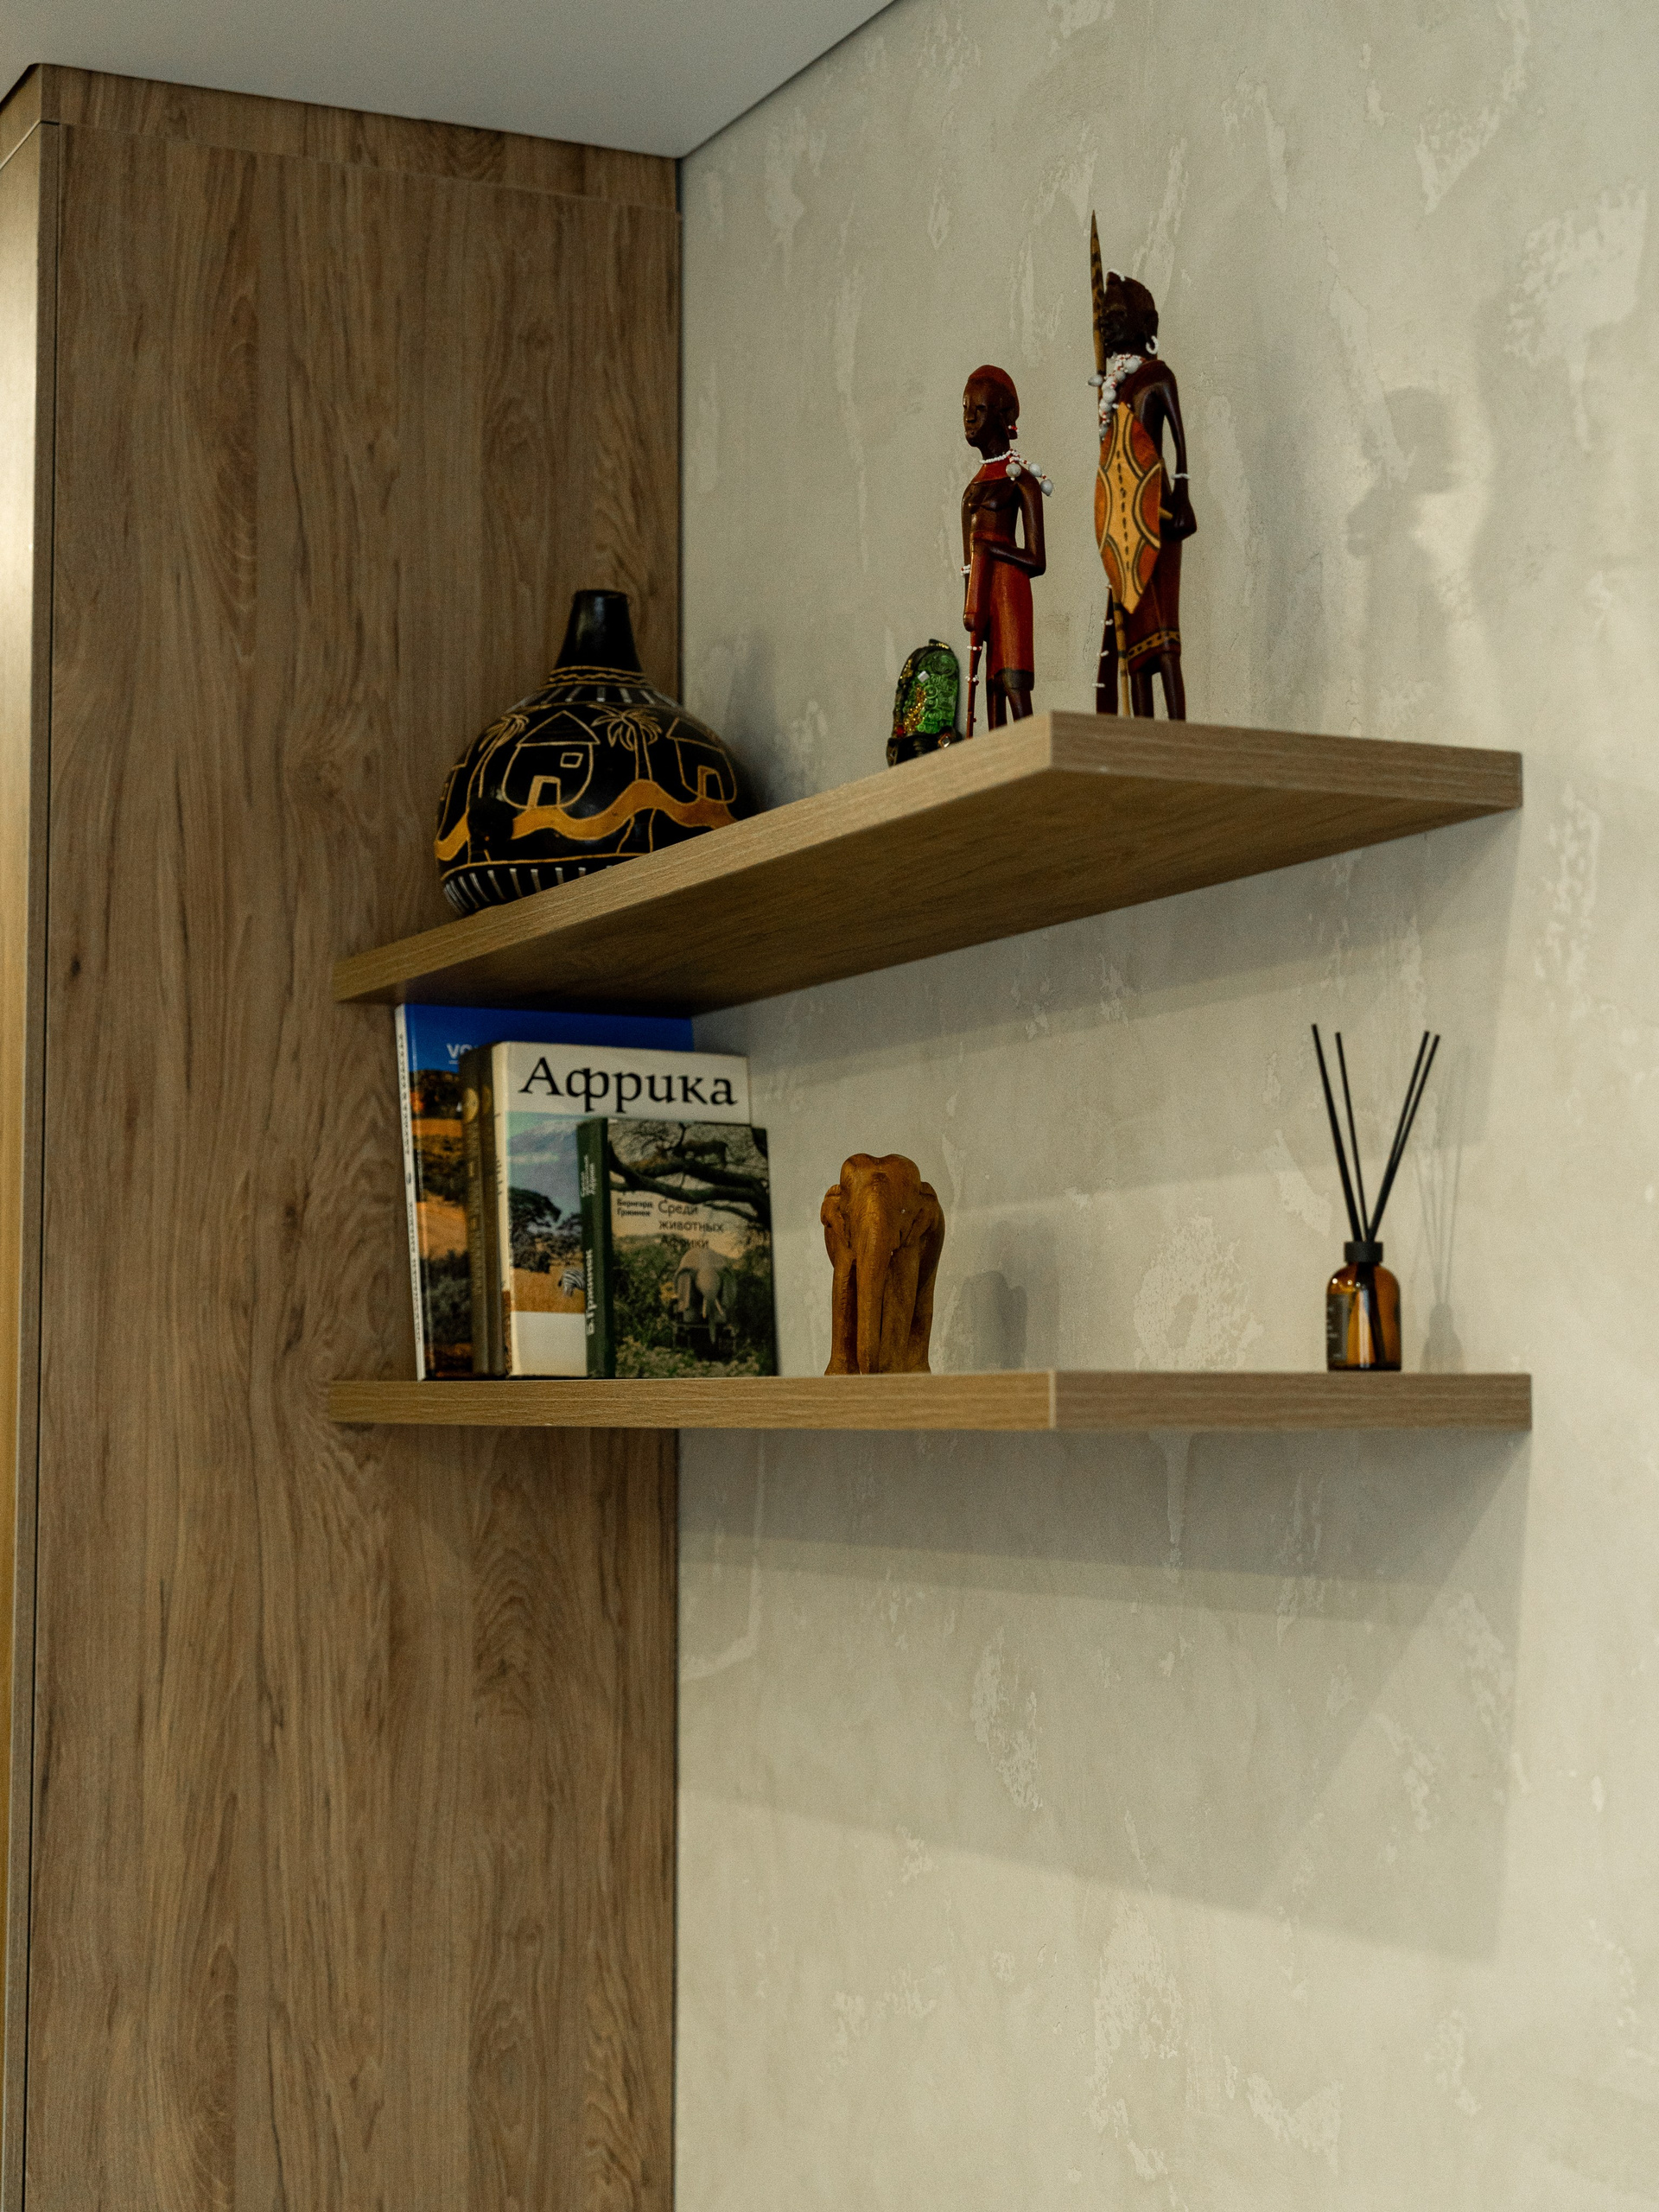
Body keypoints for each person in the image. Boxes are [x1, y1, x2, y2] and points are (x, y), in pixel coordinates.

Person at [1091, 245, 1196, 719]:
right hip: (1125, 525)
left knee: (1162, 632)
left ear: (1145, 323)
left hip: (1157, 514)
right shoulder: (1116, 391)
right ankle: (1141, 733)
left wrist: (1185, 495)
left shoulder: (1156, 377)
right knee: (1133, 647)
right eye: (1103, 320)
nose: (1106, 327)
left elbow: (1177, 441)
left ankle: (1177, 730)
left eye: (1115, 317)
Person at [961, 365, 1046, 728]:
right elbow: (968, 564)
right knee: (991, 697)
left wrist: (991, 550)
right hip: (983, 596)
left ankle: (1035, 759)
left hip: (1010, 592)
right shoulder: (972, 489)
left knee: (1013, 685)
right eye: (966, 408)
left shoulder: (1020, 479)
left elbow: (1037, 559)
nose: (969, 418)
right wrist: (971, 607)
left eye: (979, 409)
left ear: (1003, 414)